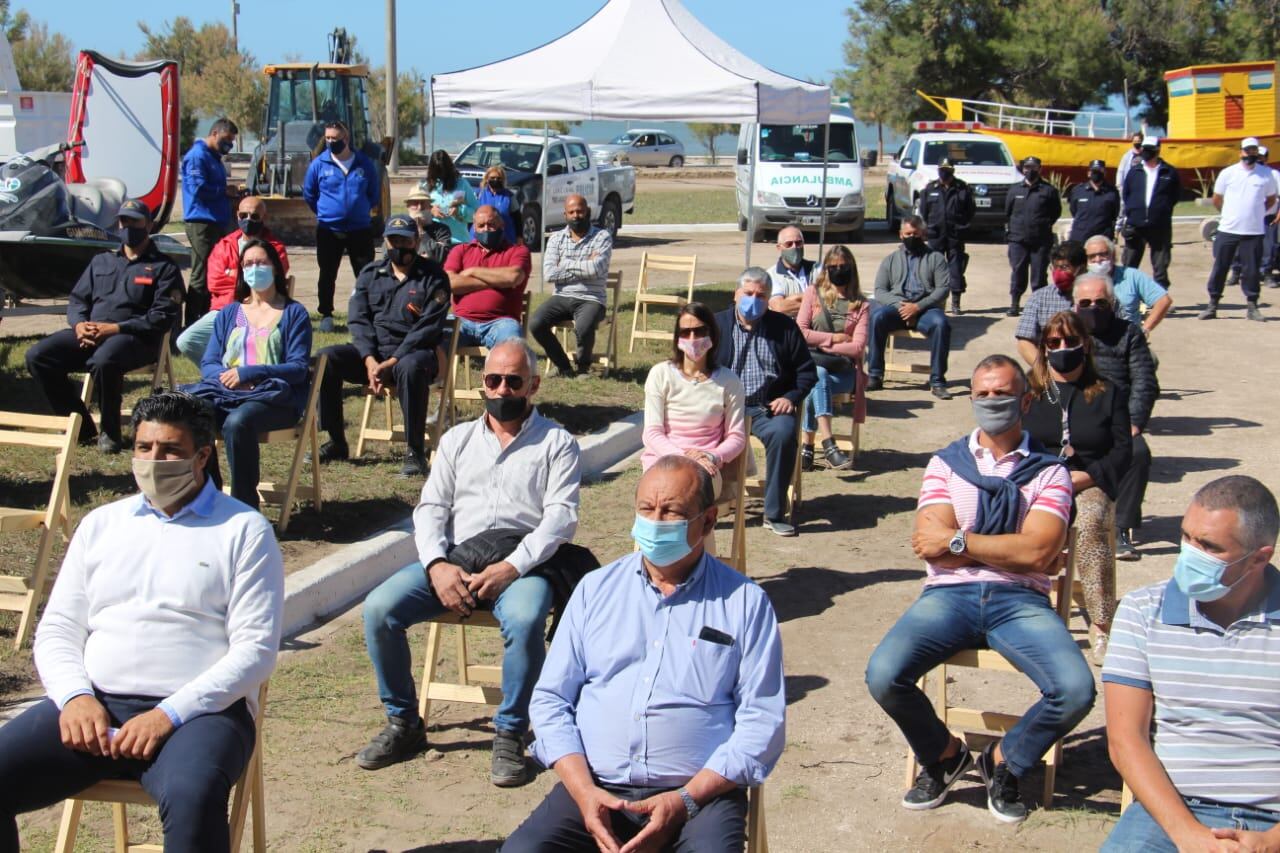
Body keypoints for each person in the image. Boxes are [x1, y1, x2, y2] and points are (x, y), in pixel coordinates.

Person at [0, 390, 284, 851]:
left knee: (194, 798)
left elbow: (255, 652)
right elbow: (58, 628)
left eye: (170, 450)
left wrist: (166, 715)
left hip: (199, 715)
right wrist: (75, 697)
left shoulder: (244, 530)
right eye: (144, 448)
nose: (154, 460)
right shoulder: (102, 524)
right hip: (94, 707)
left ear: (202, 455)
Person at [504, 455, 785, 853]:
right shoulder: (594, 591)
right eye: (646, 509)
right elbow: (552, 699)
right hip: (596, 788)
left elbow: (762, 723)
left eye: (671, 511)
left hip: (697, 798)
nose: (655, 521)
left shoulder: (745, 604)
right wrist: (584, 792)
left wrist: (685, 800)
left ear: (707, 522)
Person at [865, 355, 1095, 825]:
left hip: (1021, 601)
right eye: (983, 394)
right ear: (971, 399)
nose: (993, 402)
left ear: (1026, 401)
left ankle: (1004, 760)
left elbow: (1037, 555)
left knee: (1074, 689)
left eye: (1003, 393)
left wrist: (961, 541)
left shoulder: (1050, 472)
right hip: (949, 596)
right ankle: (946, 756)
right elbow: (930, 547)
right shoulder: (945, 464)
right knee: (884, 675)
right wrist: (999, 546)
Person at [358, 339, 589, 789]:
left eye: (513, 381)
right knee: (378, 609)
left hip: (522, 567)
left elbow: (561, 518)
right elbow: (430, 509)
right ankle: (405, 722)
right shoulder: (457, 439)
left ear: (534, 385)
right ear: (481, 383)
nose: (502, 389)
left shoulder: (557, 442)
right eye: (493, 380)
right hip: (457, 561)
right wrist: (437, 566)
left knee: (524, 619)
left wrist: (513, 567)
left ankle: (509, 731)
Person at [1101, 476, 1280, 852]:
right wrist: (1188, 835)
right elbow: (1125, 739)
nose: (1189, 554)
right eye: (1186, 537)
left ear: (1260, 558)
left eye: (1209, 546)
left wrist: (1270, 842)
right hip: (1174, 812)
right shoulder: (1142, 611)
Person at [25, 199, 184, 454]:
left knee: (104, 361)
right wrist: (79, 326)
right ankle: (81, 426)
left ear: (149, 225)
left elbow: (162, 317)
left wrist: (115, 329)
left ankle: (110, 433)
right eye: (124, 220)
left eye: (135, 221)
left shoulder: (164, 267)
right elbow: (78, 300)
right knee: (38, 356)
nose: (128, 226)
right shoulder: (101, 262)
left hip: (134, 338)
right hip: (91, 335)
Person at [1023, 311, 1131, 664]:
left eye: (1071, 341)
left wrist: (1083, 478)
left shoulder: (1107, 392)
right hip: (1036, 478)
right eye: (1054, 343)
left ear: (1085, 343)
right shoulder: (1029, 390)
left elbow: (1122, 450)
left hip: (1087, 480)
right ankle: (1020, 611)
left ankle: (1101, 625)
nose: (1063, 348)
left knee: (1091, 523)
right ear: (1044, 347)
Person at [313, 214, 451, 477]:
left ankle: (415, 452)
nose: (398, 246)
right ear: (385, 241)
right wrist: (369, 359)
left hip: (414, 354)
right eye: (393, 240)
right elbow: (358, 319)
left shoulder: (433, 276)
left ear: (417, 240)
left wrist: (393, 360)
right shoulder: (370, 274)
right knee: (326, 358)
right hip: (373, 356)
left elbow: (427, 328)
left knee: (410, 367)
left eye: (405, 240)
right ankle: (336, 441)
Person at [183, 239, 312, 510]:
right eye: (249, 264)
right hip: (227, 393)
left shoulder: (292, 313)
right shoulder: (231, 313)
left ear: (275, 268)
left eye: (261, 262)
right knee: (195, 412)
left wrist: (251, 372)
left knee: (236, 423)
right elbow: (209, 361)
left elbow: (299, 368)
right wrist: (225, 377)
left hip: (274, 398)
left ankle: (244, 506)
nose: (255, 268)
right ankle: (210, 495)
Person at [715, 268, 816, 538]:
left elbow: (807, 372)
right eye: (748, 294)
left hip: (767, 407)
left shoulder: (784, 328)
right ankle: (707, 507)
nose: (754, 300)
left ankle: (773, 513)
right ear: (736, 294)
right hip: (724, 409)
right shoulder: (716, 326)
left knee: (784, 434)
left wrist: (791, 397)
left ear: (769, 298)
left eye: (761, 295)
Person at [1072, 274, 1158, 562]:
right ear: (1075, 305)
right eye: (1085, 302)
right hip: (1073, 418)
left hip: (1117, 420)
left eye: (1100, 302)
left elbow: (1145, 381)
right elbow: (1043, 379)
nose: (1092, 308)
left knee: (1138, 453)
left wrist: (1133, 423)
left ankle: (1121, 528)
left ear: (1111, 303)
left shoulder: (1129, 333)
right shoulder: (1064, 333)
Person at [642, 302, 746, 504]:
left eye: (700, 331)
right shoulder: (660, 374)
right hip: (662, 460)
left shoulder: (729, 381)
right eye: (685, 332)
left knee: (684, 498)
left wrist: (712, 456)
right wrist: (683, 457)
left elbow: (737, 436)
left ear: (712, 335)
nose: (692, 338)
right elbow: (652, 433)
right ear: (677, 337)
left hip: (707, 465)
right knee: (660, 497)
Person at [176, 195, 290, 364]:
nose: (248, 220)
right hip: (223, 311)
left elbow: (273, 280)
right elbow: (214, 282)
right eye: (243, 215)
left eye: (254, 216)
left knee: (255, 343)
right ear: (237, 215)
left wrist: (232, 273)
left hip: (262, 310)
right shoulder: (223, 245)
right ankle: (222, 374)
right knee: (186, 341)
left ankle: (243, 375)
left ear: (264, 218)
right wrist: (247, 281)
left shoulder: (275, 248)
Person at [302, 120, 381, 333]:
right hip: (329, 229)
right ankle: (326, 314)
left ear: (345, 139)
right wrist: (325, 212)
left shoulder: (364, 164)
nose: (330, 142)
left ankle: (367, 315)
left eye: (334, 139)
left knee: (365, 274)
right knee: (327, 273)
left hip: (360, 229)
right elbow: (309, 194)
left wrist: (359, 210)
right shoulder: (319, 164)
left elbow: (374, 194)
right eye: (327, 138)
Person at [797, 245, 867, 471]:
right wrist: (834, 339)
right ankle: (828, 444)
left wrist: (822, 345)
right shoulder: (812, 293)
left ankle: (808, 446)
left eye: (843, 266)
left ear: (851, 268)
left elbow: (857, 348)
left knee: (816, 378)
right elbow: (801, 331)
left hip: (844, 372)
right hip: (816, 368)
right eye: (833, 266)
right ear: (825, 269)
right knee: (818, 376)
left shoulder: (862, 304)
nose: (838, 270)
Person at [867, 215, 953, 400]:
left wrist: (918, 307)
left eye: (915, 233)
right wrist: (901, 306)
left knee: (941, 324)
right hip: (897, 308)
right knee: (876, 317)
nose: (911, 237)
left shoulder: (936, 258)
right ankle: (874, 375)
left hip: (926, 309)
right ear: (900, 234)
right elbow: (880, 290)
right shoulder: (890, 260)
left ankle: (937, 381)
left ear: (923, 234)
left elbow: (943, 289)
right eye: (908, 234)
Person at [529, 194, 613, 377]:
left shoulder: (602, 237)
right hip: (561, 296)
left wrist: (565, 263)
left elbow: (595, 269)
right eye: (572, 212)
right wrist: (583, 265)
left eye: (580, 211)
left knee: (583, 327)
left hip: (591, 298)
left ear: (588, 212)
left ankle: (583, 366)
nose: (576, 215)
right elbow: (549, 274)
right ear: (565, 214)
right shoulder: (556, 238)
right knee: (536, 324)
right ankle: (563, 366)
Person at [1199, 137, 1278, 322]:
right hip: (1228, 229)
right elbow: (1217, 198)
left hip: (1253, 232)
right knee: (1220, 267)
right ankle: (1213, 304)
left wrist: (1256, 214)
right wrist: (1228, 214)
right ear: (1240, 152)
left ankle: (1252, 306)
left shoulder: (1266, 175)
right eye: (1247, 150)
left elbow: (1271, 200)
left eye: (1253, 151)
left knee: (1251, 271)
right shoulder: (1228, 173)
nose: (1250, 154)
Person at [444, 205, 531, 349]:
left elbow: (513, 277)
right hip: (461, 321)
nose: (486, 229)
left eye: (491, 225)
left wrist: (473, 271)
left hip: (501, 323)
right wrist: (498, 281)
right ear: (474, 228)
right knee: (430, 336)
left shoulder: (518, 251)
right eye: (481, 225)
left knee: (513, 346)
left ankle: (499, 373)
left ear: (501, 224)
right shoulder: (461, 250)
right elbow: (449, 283)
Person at [180, 117, 238, 328]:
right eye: (226, 139)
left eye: (231, 141)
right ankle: (191, 323)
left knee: (215, 273)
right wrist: (223, 191)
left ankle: (206, 318)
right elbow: (198, 188)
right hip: (201, 222)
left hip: (216, 222)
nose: (228, 145)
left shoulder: (214, 158)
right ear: (214, 133)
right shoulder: (197, 156)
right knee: (201, 273)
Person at [1004, 155, 1062, 316]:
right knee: (1018, 272)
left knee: (1038, 275)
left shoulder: (1048, 190)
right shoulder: (1015, 190)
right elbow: (1008, 212)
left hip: (1040, 240)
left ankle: (1039, 305)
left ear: (1040, 169)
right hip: (1018, 239)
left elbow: (1055, 213)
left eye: (1034, 168)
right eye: (1027, 168)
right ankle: (1015, 304)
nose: (1030, 171)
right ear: (1023, 169)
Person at [1121, 136, 1180, 290]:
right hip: (1136, 224)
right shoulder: (1134, 172)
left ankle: (1160, 296)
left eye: (1149, 149)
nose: (1145, 152)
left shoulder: (1170, 172)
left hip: (1159, 225)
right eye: (1143, 148)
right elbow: (1127, 194)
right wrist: (1134, 212)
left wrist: (1161, 211)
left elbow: (1175, 196)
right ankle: (1126, 296)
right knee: (1129, 264)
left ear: (1158, 150)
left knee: (1160, 265)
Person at [1015, 240, 1086, 367]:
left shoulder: (1097, 298)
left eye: (1064, 267)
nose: (1058, 273)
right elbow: (1024, 342)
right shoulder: (1039, 298)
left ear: (1081, 269)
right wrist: (1044, 371)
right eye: (1055, 267)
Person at [918, 157, 975, 315]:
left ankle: (956, 302)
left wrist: (962, 226)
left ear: (953, 170)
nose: (944, 173)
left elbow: (970, 211)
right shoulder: (930, 188)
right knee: (933, 269)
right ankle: (933, 302)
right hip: (936, 235)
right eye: (941, 169)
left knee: (956, 269)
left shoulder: (962, 188)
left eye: (947, 170)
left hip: (955, 235)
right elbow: (924, 211)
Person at [1083, 235, 1172, 333]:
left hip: (1128, 338)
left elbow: (1163, 301)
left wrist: (1145, 330)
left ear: (1113, 255)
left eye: (1103, 254)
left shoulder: (1132, 276)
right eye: (1092, 256)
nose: (1098, 259)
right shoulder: (1082, 281)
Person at [425, 148, 478, 246]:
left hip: (459, 242)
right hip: (434, 242)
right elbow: (416, 213)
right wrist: (431, 211)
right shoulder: (426, 186)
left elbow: (476, 214)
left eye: (442, 172)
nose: (440, 176)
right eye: (437, 172)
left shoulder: (462, 184)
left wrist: (460, 211)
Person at [1068, 159, 1121, 244]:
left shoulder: (1112, 192)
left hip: (1102, 237)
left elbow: (1114, 213)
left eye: (1100, 171)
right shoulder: (1078, 191)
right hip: (1080, 237)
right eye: (1094, 171)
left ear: (1104, 173)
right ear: (1089, 173)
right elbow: (1073, 210)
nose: (1097, 173)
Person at [766, 226, 815, 317]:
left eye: (798, 243)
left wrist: (794, 298)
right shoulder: (771, 275)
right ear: (779, 248)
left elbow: (831, 300)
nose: (794, 247)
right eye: (789, 244)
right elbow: (779, 307)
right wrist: (813, 302)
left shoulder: (817, 269)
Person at [405, 183, 454, 264]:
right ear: (408, 206)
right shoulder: (401, 228)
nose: (420, 207)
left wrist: (421, 232)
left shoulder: (441, 230)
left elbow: (441, 257)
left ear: (430, 207)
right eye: (415, 203)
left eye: (423, 203)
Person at [470, 165, 517, 244]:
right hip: (481, 236)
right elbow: (471, 215)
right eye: (492, 178)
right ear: (487, 179)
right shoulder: (478, 194)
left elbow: (517, 217)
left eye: (498, 178)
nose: (495, 180)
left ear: (502, 180)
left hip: (505, 237)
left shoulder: (510, 196)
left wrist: (519, 236)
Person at [1115, 131, 1145, 212]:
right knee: (1123, 206)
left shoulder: (1145, 155)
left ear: (1142, 141)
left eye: (1138, 141)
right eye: (1134, 141)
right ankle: (1120, 224)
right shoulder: (1127, 155)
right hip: (1128, 185)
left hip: (1141, 185)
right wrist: (1119, 185)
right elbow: (1121, 170)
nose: (1136, 143)